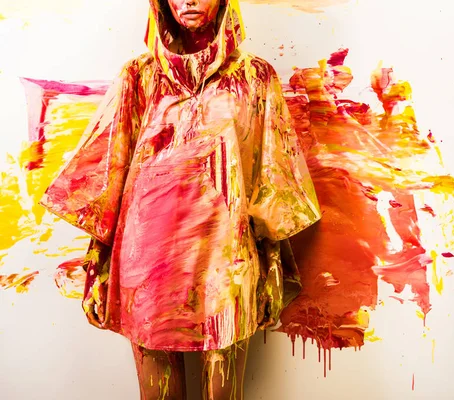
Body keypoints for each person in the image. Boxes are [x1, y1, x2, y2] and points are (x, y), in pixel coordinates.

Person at [40, 0, 321, 398]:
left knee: (223, 393)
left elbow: (271, 170)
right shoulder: (139, 75)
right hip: (148, 261)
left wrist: (270, 255)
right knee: (158, 394)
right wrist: (99, 257)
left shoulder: (256, 77)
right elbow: (109, 170)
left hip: (227, 259)